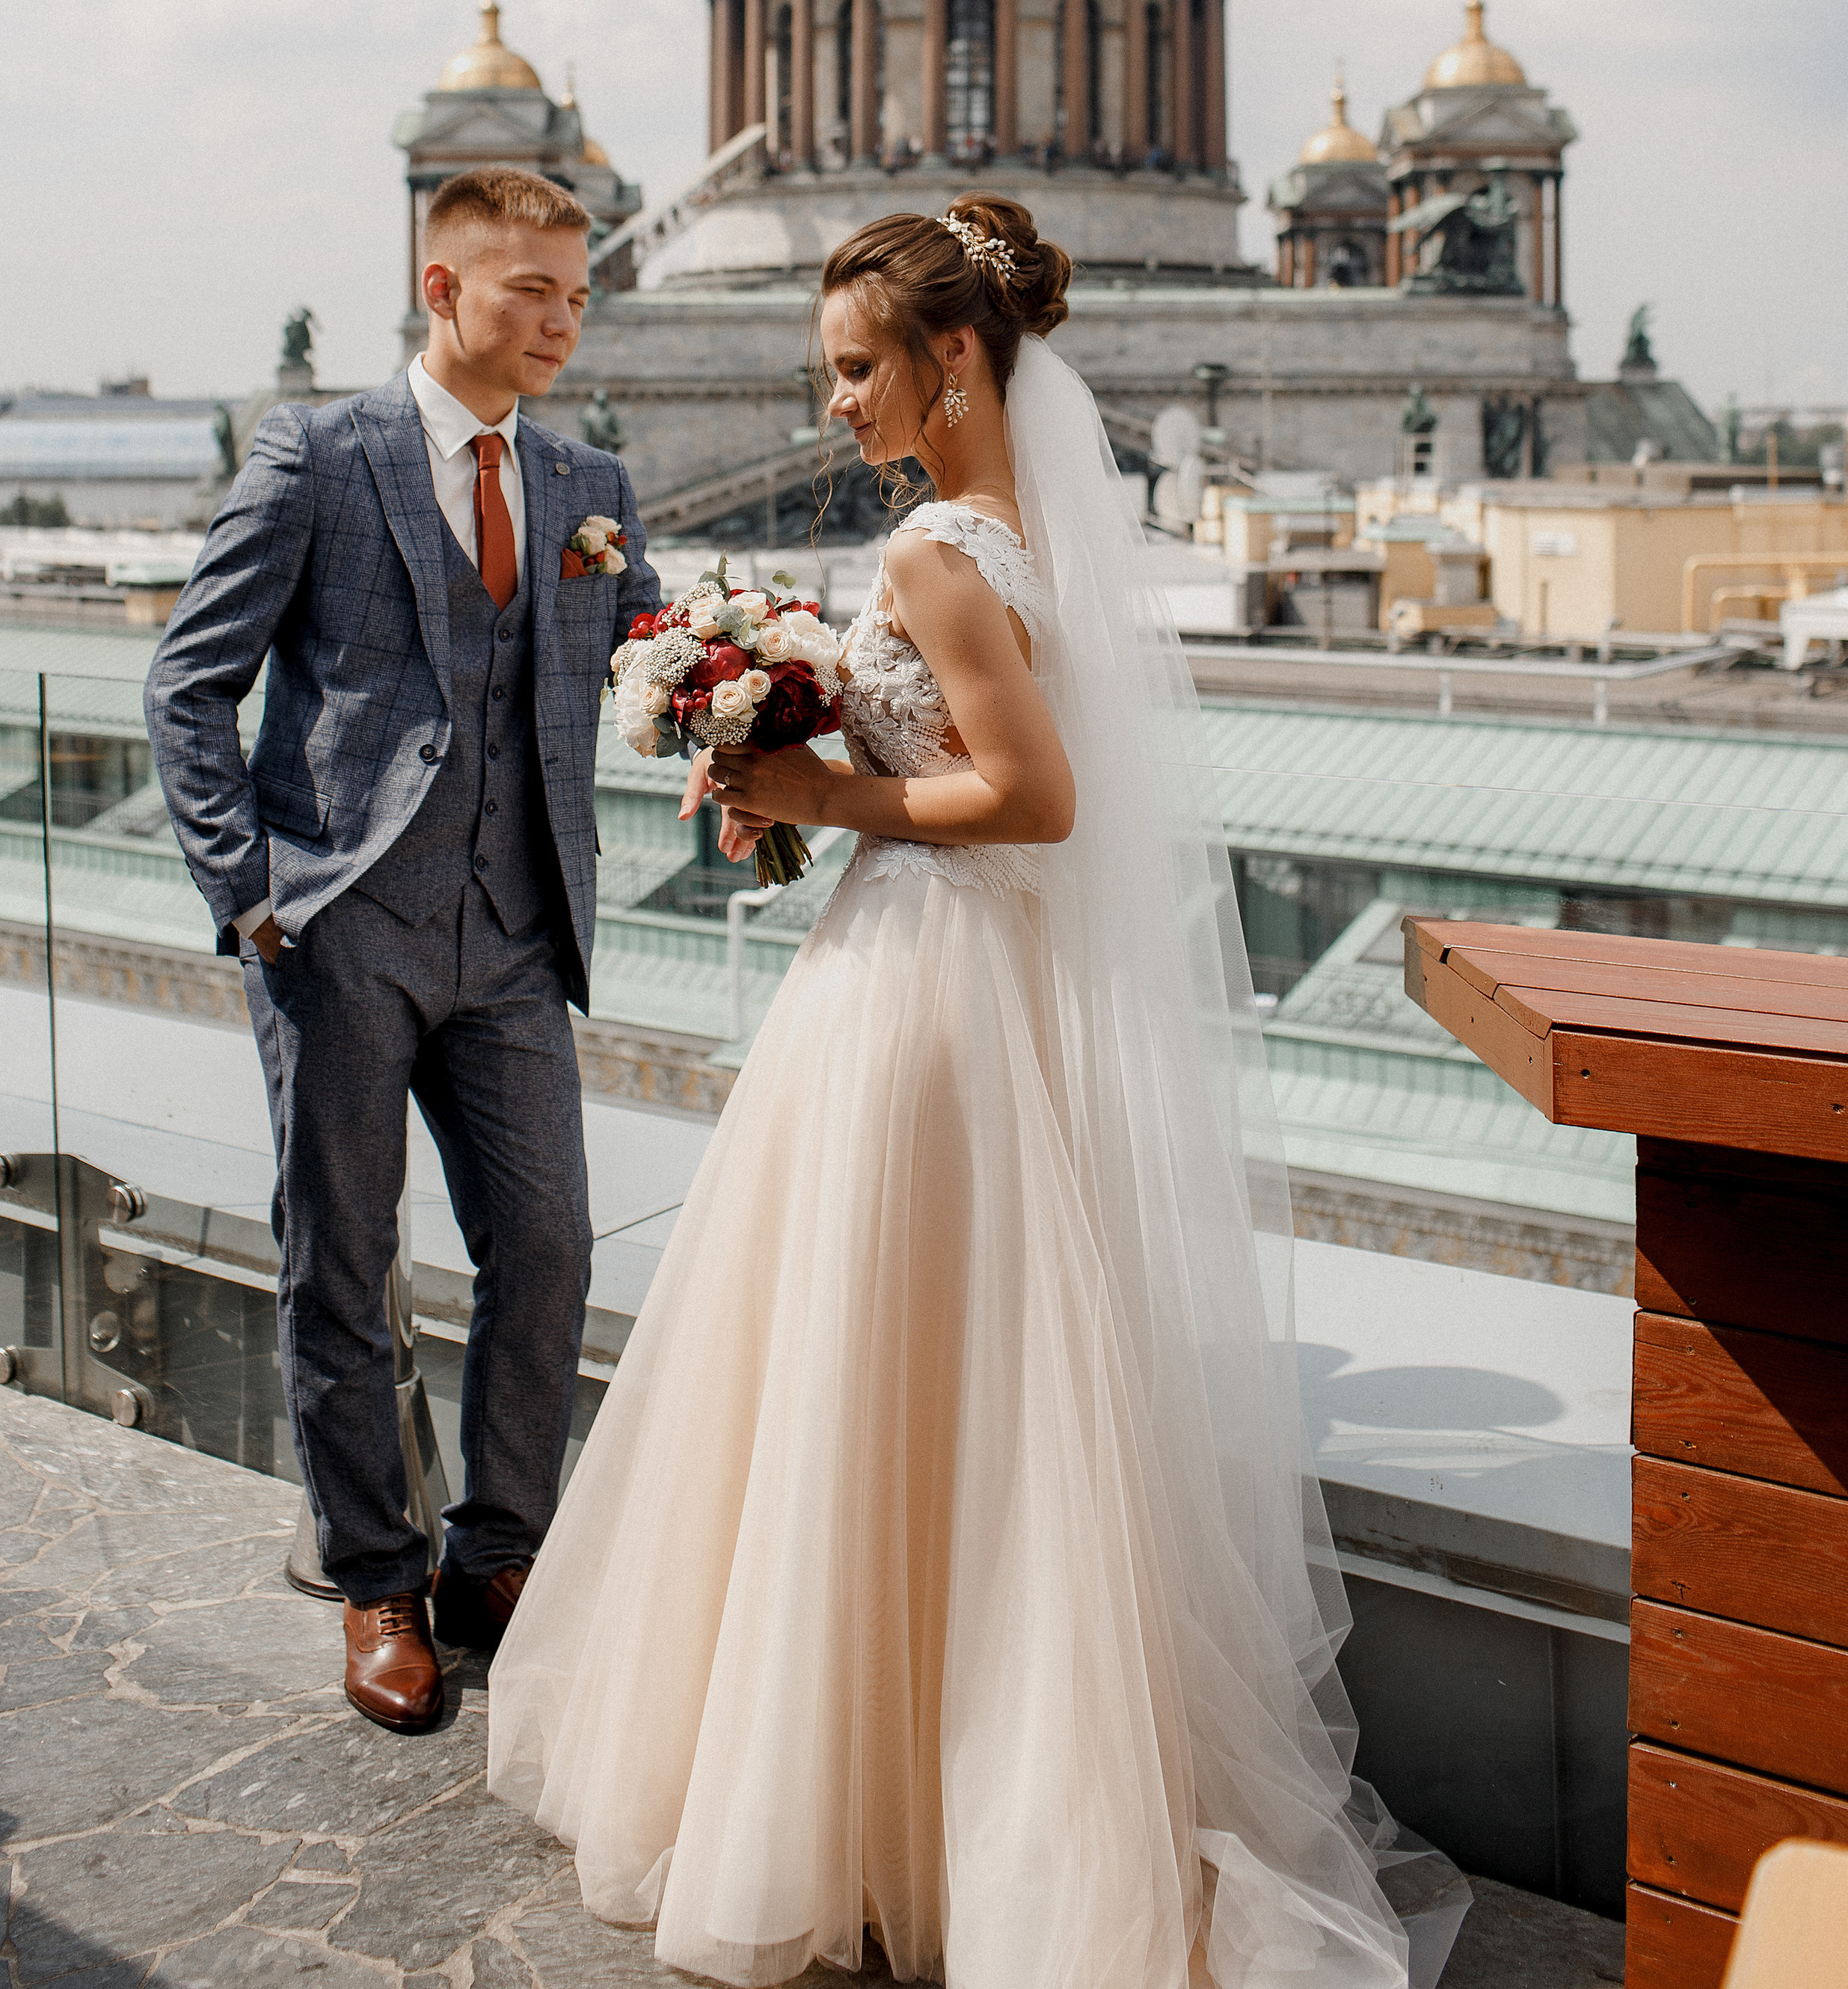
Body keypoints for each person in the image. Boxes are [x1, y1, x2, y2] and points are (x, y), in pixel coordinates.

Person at [488, 199, 1463, 1988]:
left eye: (854, 369)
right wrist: (803, 745)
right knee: (979, 1379)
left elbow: (1030, 797)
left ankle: (839, 1797)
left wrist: (813, 790)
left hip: (921, 981)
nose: (833, 403)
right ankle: (952, 1796)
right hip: (978, 982)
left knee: (860, 1367)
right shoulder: (1026, 538)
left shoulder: (936, 551)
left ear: (950, 358)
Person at [146, 167, 663, 1736]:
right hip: (340, 928)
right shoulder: (318, 453)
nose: (562, 323)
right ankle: (377, 1577)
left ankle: (496, 1553)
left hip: (514, 936)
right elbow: (190, 681)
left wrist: (764, 699)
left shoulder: (588, 480)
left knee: (549, 1246)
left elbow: (651, 656)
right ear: (443, 288)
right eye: (531, 292)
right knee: (340, 1257)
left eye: (577, 296)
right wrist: (249, 891)